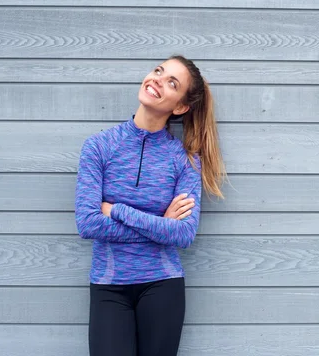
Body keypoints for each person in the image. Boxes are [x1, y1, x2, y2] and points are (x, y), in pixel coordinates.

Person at [75, 55, 226, 356]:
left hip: (163, 286)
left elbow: (183, 235)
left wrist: (117, 210)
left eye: (172, 82)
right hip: (109, 287)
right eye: (158, 71)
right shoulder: (98, 147)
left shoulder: (185, 161)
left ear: (180, 106)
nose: (157, 79)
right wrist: (161, 224)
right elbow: (88, 223)